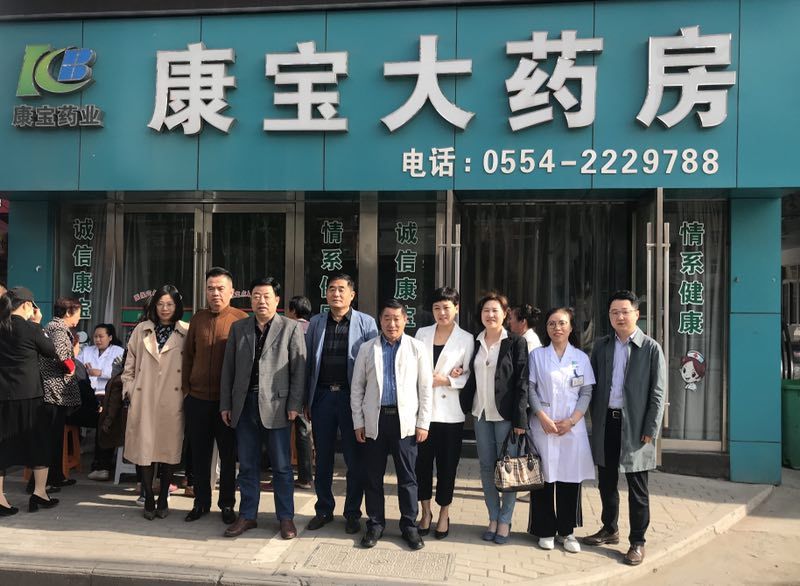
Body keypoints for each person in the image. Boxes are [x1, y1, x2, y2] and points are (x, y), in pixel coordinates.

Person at [584, 290, 666, 566]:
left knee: (637, 487)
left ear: (636, 314)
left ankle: (638, 542)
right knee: (606, 481)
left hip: (636, 426)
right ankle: (610, 528)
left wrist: (651, 427)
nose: (619, 317)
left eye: (625, 311)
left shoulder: (651, 348)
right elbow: (591, 384)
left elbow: (658, 393)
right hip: (607, 421)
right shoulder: (602, 346)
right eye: (614, 312)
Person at [220, 277, 306, 539]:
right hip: (244, 404)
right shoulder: (239, 328)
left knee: (281, 466)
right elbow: (228, 369)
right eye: (256, 296)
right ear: (251, 299)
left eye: (267, 296)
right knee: (247, 464)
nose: (261, 301)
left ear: (277, 300)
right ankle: (247, 515)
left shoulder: (290, 328)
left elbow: (299, 370)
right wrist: (226, 403)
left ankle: (286, 518)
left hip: (278, 406)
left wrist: (295, 404)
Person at [351, 299, 433, 550]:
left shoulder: (417, 348)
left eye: (397, 318)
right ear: (380, 320)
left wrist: (423, 423)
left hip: (404, 421)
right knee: (372, 476)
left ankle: (409, 525)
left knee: (408, 477)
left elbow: (425, 389)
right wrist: (358, 422)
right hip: (375, 420)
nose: (392, 323)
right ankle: (375, 524)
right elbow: (357, 388)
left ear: (406, 320)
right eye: (387, 318)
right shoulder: (367, 348)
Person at [305, 274, 378, 535]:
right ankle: (324, 509)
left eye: (341, 289)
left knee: (354, 459)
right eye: (331, 289)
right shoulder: (316, 322)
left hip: (352, 400)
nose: (336, 294)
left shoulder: (366, 323)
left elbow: (373, 365)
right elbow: (308, 363)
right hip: (322, 397)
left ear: (352, 295)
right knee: (323, 458)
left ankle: (352, 513)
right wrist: (306, 400)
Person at [459, 291, 529, 545]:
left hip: (506, 416)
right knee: (487, 467)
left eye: (495, 310)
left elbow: (522, 382)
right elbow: (470, 373)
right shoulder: (475, 342)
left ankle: (505, 520)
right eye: (486, 310)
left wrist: (521, 420)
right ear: (481, 315)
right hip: (481, 414)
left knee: (508, 469)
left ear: (505, 314)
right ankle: (492, 517)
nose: (490, 314)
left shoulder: (516, 342)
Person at [182, 267, 248, 525]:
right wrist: (186, 391)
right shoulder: (197, 319)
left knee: (228, 456)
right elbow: (188, 357)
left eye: (221, 288)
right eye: (211, 288)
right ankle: (201, 502)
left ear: (232, 291)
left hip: (226, 402)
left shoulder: (241, 319)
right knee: (199, 454)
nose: (215, 293)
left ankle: (227, 504)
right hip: (197, 398)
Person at [527, 307, 595, 553]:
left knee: (569, 480)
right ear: (546, 328)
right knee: (543, 480)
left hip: (571, 428)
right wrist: (541, 416)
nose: (557, 328)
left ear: (571, 327)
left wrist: (573, 420)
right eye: (552, 323)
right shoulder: (537, 356)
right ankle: (544, 530)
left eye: (562, 323)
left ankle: (567, 532)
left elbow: (586, 391)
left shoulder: (581, 358)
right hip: (543, 425)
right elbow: (530, 388)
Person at [122, 285, 189, 519]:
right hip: (145, 396)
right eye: (160, 304)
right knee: (145, 449)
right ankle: (149, 496)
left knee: (168, 450)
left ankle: (163, 498)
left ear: (177, 306)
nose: (165, 308)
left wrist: (185, 394)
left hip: (172, 398)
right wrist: (130, 389)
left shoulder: (186, 331)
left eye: (170, 304)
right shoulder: (141, 330)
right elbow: (129, 363)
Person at [413, 287, 473, 540]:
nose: (441, 312)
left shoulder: (466, 338)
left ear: (456, 308)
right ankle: (425, 511)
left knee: (448, 467)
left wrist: (447, 380)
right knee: (422, 466)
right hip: (423, 413)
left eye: (446, 307)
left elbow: (469, 376)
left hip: (451, 415)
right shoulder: (422, 333)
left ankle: (444, 513)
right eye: (437, 308)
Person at [0, 287, 60, 515]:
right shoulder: (30, 328)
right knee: (39, 443)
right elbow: (51, 351)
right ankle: (39, 493)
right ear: (27, 305)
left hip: (3, 396)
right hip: (30, 396)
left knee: (2, 446)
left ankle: (0, 499)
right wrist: (37, 324)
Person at [38, 297, 83, 491]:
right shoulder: (57, 329)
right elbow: (60, 354)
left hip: (56, 390)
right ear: (68, 313)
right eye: (78, 314)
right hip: (54, 390)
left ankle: (56, 476)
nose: (79, 318)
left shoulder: (54, 327)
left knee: (56, 437)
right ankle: (44, 482)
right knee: (51, 437)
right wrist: (72, 366)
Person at [79, 323, 125, 480]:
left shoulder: (118, 352)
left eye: (101, 336)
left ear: (110, 337)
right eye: (95, 337)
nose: (97, 340)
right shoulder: (87, 351)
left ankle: (102, 465)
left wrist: (100, 372)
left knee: (104, 419)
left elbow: (121, 374)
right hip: (89, 396)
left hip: (108, 396)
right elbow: (78, 369)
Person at [285, 295, 313, 490]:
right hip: (308, 387)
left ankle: (288, 474)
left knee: (285, 432)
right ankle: (305, 476)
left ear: (293, 310)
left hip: (289, 387)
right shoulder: (313, 328)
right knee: (304, 432)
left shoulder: (289, 327)